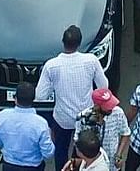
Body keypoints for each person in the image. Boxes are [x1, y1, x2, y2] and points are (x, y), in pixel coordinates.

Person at [37, 25, 110, 171]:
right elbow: (104, 85)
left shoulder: (52, 66)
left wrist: (55, 86)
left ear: (63, 42)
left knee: (61, 149)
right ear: (80, 42)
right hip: (86, 117)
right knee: (82, 151)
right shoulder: (91, 60)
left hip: (62, 118)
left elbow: (40, 95)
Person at [0, 81, 55, 171]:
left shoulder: (2, 116)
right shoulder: (41, 124)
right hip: (34, 167)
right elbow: (48, 154)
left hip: (9, 166)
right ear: (33, 99)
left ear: (15, 98)